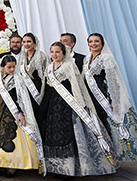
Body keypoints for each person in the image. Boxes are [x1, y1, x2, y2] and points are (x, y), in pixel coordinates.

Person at [43, 42, 116, 175]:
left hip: (67, 103)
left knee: (69, 133)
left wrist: (80, 104)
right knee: (54, 133)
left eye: (57, 52)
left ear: (63, 53)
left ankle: (70, 169)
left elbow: (76, 85)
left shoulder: (69, 65)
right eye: (52, 52)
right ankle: (56, 166)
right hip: (53, 104)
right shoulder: (49, 67)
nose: (54, 55)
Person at [0, 53, 43, 172]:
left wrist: (19, 112)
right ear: (2, 67)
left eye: (14, 66)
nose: (12, 69)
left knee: (10, 137)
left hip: (11, 110)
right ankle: (1, 164)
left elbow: (21, 97)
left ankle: (12, 168)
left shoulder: (18, 79)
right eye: (9, 67)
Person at [83, 34, 137, 159]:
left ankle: (111, 154)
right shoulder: (87, 59)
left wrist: (115, 101)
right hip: (89, 96)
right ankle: (100, 155)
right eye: (91, 41)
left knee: (104, 123)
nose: (94, 44)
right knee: (94, 124)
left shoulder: (106, 58)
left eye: (97, 41)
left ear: (102, 43)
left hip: (102, 94)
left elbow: (113, 80)